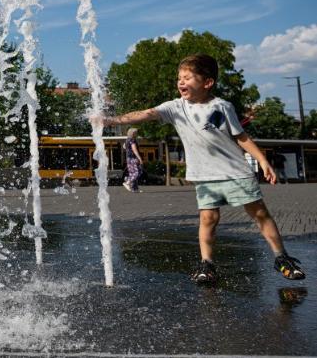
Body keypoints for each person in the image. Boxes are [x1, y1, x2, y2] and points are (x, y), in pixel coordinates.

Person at [100, 54, 305, 284]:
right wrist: (111, 121)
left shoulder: (222, 107)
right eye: (179, 78)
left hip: (235, 171)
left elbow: (241, 137)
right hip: (204, 175)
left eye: (187, 77)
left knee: (259, 213)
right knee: (208, 218)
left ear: (207, 83)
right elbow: (145, 114)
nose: (181, 82)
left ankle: (281, 257)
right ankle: (206, 264)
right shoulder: (175, 108)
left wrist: (263, 161)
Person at [123, 128, 144, 192]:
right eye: (136, 133)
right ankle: (127, 181)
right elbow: (134, 150)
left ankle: (134, 188)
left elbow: (124, 146)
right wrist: (140, 158)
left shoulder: (127, 140)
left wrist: (128, 150)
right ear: (133, 133)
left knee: (132, 172)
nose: (137, 134)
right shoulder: (132, 140)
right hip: (133, 158)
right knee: (137, 172)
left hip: (128, 158)